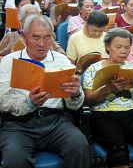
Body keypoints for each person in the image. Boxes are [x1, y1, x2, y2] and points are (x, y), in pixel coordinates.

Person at [0, 15, 91, 168]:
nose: (42, 44)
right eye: (35, 37)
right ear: (24, 37)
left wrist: (75, 94)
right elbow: (2, 101)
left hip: (56, 122)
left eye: (47, 38)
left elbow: (74, 105)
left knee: (80, 147)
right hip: (19, 125)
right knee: (14, 159)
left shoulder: (61, 60)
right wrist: (29, 103)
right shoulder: (10, 61)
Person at [83, 27, 133, 168]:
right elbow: (88, 100)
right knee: (118, 150)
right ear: (107, 46)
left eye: (127, 47)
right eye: (118, 47)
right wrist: (109, 89)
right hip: (104, 115)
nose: (123, 51)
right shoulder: (94, 69)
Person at [0, 4, 65, 61]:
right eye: (30, 19)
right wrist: (11, 61)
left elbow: (61, 53)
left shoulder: (46, 37)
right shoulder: (11, 36)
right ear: (21, 21)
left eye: (37, 18)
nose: (34, 21)